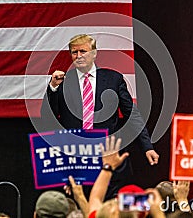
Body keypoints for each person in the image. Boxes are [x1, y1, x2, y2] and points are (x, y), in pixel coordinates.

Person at [41, 34, 159, 198]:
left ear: (94, 53)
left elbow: (132, 115)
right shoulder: (63, 82)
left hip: (107, 155)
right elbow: (48, 118)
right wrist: (53, 88)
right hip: (77, 157)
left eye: (83, 51)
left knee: (110, 207)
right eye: (74, 52)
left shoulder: (113, 79)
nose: (79, 56)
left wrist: (147, 147)